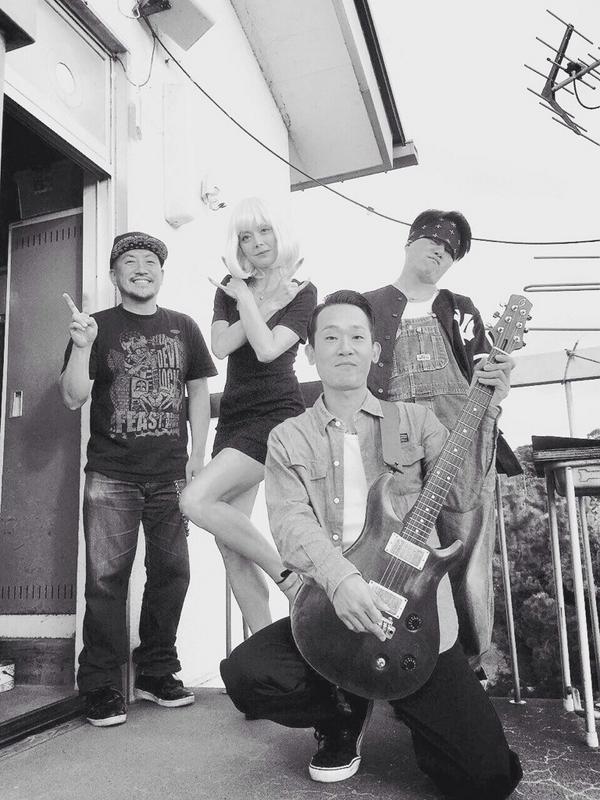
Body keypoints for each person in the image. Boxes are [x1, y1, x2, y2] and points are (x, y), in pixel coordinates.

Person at [220, 291, 522, 799]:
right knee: (248, 675)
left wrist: (488, 408)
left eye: (357, 336)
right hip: (330, 614)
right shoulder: (288, 437)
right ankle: (343, 707)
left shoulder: (415, 422)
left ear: (375, 351)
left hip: (418, 622)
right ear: (311, 352)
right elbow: (291, 522)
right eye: (330, 337)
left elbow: (464, 494)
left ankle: (405, 704)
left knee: (486, 779)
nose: (345, 347)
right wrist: (341, 580)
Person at [60, 231, 217, 727]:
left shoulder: (184, 326)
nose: (141, 268)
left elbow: (197, 391)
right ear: (115, 275)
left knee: (173, 573)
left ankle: (155, 671)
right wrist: (82, 347)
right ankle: (101, 685)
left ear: (161, 274)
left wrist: (197, 455)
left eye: (150, 260)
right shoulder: (95, 327)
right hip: (111, 474)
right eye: (130, 261)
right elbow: (72, 396)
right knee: (106, 582)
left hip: (171, 475)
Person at [363, 209, 516, 676]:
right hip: (394, 432)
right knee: (391, 544)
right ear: (410, 242)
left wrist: (499, 385)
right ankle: (388, 654)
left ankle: (470, 665)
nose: (440, 252)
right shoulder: (369, 305)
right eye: (433, 241)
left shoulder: (461, 308)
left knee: (465, 548)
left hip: (459, 431)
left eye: (450, 251)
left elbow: (484, 375)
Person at [179, 198, 318, 634]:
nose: (256, 242)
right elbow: (220, 346)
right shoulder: (231, 286)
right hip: (234, 417)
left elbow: (267, 348)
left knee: (194, 500)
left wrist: (255, 302)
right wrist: (255, 299)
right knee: (231, 548)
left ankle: (289, 579)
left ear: (279, 233)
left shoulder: (303, 290)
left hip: (276, 415)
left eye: (264, 231)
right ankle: (263, 646)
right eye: (245, 236)